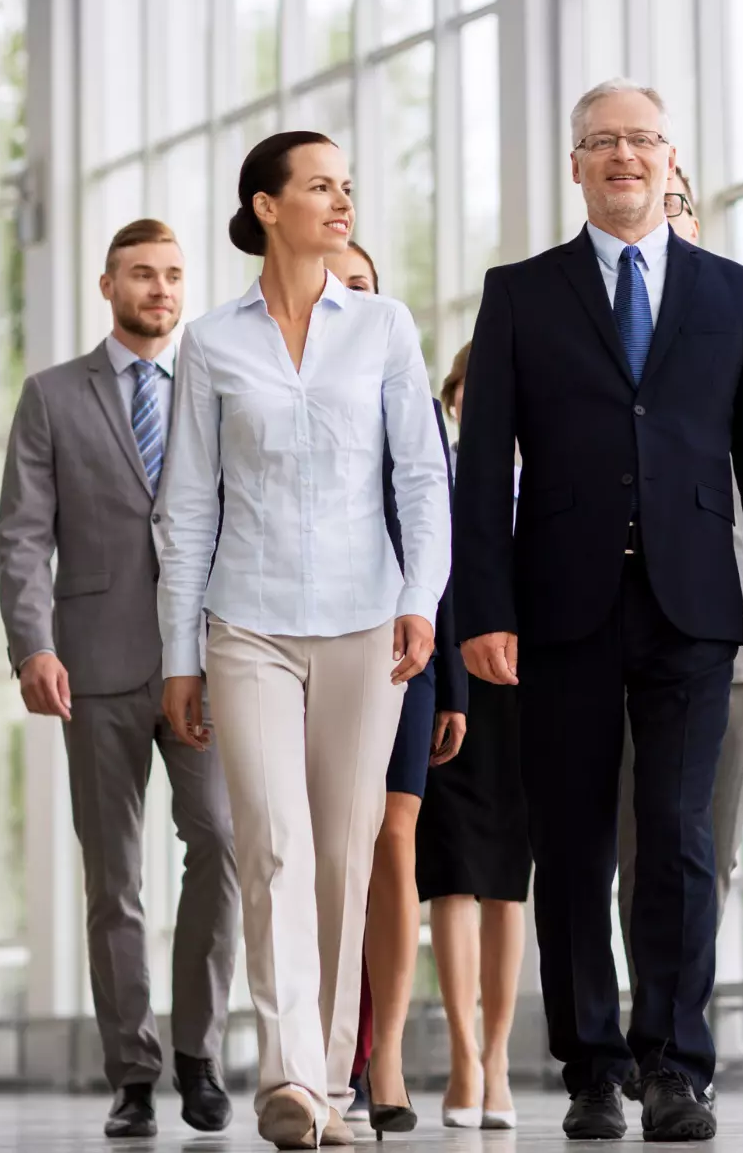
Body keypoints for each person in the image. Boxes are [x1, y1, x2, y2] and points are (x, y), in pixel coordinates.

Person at [452, 79, 743, 1144]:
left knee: (679, 838)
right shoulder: (519, 293)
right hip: (558, 605)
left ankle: (674, 1065)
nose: (622, 158)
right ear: (575, 166)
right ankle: (591, 1067)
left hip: (694, 607)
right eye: (601, 143)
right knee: (569, 844)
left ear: (668, 159)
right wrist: (484, 605)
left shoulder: (730, 292)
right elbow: (481, 470)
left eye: (640, 141)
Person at [156, 132, 450, 1150]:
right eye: (320, 186)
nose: (342, 201)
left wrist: (421, 598)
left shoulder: (383, 326)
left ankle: (330, 1075)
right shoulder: (211, 343)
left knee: (340, 853)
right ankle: (286, 1076)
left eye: (347, 186)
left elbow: (421, 477)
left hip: (369, 625)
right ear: (265, 206)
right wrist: (178, 656)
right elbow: (186, 508)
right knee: (271, 844)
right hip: (245, 629)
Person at [0, 219, 239, 1140]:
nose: (162, 290)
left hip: (202, 660)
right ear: (108, 286)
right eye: (144, 275)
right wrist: (32, 645)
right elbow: (22, 532)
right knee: (114, 878)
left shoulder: (213, 389)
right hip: (90, 662)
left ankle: (201, 1054)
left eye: (175, 276)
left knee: (218, 843)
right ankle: (133, 1071)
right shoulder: (53, 396)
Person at [612, 166, 743, 1072]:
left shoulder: (737, 313)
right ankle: (648, 1032)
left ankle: (675, 1023)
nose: (660, 217)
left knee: (705, 841)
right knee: (636, 843)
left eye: (677, 204)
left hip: (728, 631)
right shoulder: (594, 317)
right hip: (611, 620)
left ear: (695, 222)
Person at [325, 241, 469, 1135]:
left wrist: (451, 677)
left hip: (399, 642)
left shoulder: (408, 391)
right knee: (316, 847)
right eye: (339, 284)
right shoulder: (263, 374)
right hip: (296, 632)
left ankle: (386, 1060)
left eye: (366, 285)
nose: (352, 297)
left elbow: (436, 535)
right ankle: (322, 1042)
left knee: (393, 839)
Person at [416, 342, 532, 1131]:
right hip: (451, 687)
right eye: (471, 389)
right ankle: (461, 1053)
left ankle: (498, 1056)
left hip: (529, 694)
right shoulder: (436, 475)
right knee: (451, 872)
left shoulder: (549, 482)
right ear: (453, 400)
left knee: (508, 880)